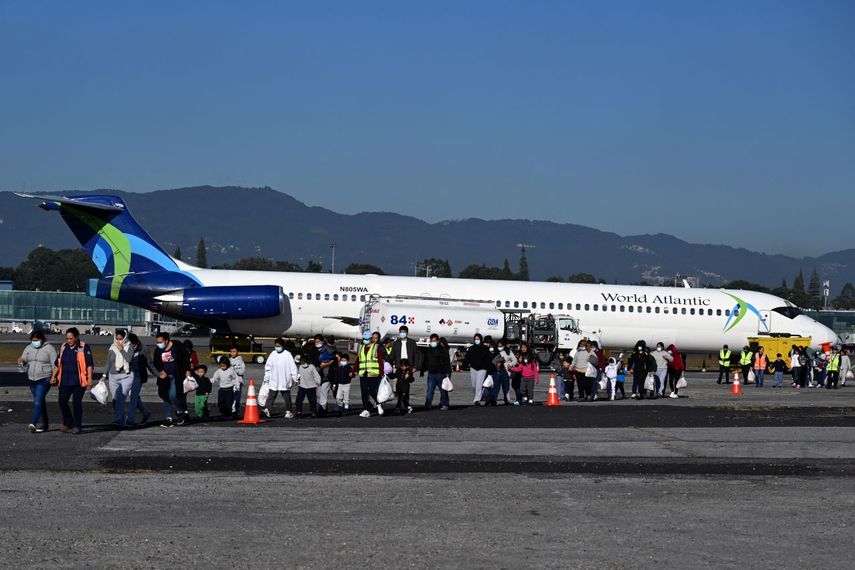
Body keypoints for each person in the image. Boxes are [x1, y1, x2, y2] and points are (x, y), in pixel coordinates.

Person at [50, 327, 94, 434]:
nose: (69, 341)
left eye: (71, 338)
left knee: (76, 403)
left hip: (79, 381)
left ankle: (77, 426)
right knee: (62, 401)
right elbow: (58, 363)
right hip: (65, 380)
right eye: (67, 338)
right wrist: (53, 376)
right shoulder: (64, 347)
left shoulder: (83, 347)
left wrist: (90, 378)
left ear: (76, 337)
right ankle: (68, 421)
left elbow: (89, 364)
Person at [18, 330, 57, 433]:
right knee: (40, 401)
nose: (35, 342)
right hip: (32, 378)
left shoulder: (50, 348)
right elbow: (24, 359)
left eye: (37, 340)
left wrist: (54, 377)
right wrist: (21, 361)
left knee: (38, 401)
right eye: (33, 340)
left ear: (42, 339)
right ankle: (45, 424)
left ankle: (33, 423)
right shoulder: (28, 348)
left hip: (44, 378)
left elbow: (55, 364)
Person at [152, 331, 190, 427]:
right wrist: (161, 371)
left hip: (176, 375)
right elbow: (156, 363)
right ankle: (168, 418)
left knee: (173, 395)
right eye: (157, 342)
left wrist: (187, 370)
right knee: (165, 396)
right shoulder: (158, 350)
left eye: (161, 342)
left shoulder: (177, 346)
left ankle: (180, 411)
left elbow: (185, 357)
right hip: (164, 377)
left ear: (167, 340)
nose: (159, 344)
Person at [100, 329, 135, 428]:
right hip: (113, 375)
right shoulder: (112, 347)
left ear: (125, 338)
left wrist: (121, 349)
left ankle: (119, 419)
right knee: (115, 399)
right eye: (117, 338)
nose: (119, 341)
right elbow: (108, 362)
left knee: (120, 397)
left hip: (126, 375)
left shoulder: (129, 346)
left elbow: (129, 359)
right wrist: (104, 375)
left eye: (121, 339)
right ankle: (120, 417)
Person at [261, 337, 298, 419]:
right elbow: (268, 366)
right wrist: (267, 377)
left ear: (283, 346)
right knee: (271, 396)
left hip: (284, 380)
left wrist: (295, 377)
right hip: (274, 379)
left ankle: (289, 411)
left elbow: (293, 367)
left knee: (286, 397)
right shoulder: (273, 354)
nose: (277, 347)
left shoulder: (287, 354)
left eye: (278, 346)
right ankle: (267, 410)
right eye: (276, 346)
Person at [355, 331, 385, 418]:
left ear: (371, 339)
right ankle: (366, 410)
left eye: (367, 339)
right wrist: (354, 370)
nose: (365, 340)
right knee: (364, 392)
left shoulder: (376, 347)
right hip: (363, 372)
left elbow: (380, 360)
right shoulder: (361, 347)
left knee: (372, 391)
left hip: (373, 373)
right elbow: (358, 360)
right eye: (364, 339)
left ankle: (378, 403)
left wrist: (381, 372)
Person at [125, 333, 151, 427]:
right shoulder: (127, 347)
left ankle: (130, 419)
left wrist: (157, 375)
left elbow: (149, 363)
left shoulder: (144, 348)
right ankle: (145, 413)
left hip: (138, 374)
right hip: (128, 374)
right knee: (133, 396)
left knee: (133, 396)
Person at [421, 333, 451, 411]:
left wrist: (448, 372)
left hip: (441, 373)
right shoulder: (428, 350)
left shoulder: (443, 350)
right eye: (431, 341)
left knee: (443, 390)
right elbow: (425, 361)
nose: (432, 342)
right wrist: (422, 370)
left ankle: (445, 404)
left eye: (434, 340)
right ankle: (428, 404)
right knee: (430, 390)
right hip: (431, 373)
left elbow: (447, 362)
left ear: (438, 341)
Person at [462, 333, 492, 405]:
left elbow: (488, 360)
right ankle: (477, 396)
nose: (477, 340)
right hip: (473, 368)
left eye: (478, 339)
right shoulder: (471, 348)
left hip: (482, 369)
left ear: (481, 340)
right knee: (474, 385)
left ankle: (477, 399)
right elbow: (467, 358)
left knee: (479, 384)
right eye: (475, 339)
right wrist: (464, 365)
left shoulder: (485, 349)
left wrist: (489, 369)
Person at [228, 346, 246, 419]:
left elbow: (242, 370)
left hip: (238, 381)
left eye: (234, 351)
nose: (233, 353)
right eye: (231, 351)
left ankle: (236, 412)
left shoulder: (240, 361)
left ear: (237, 352)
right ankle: (231, 411)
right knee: (230, 397)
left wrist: (234, 372)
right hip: (230, 382)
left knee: (237, 397)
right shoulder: (228, 360)